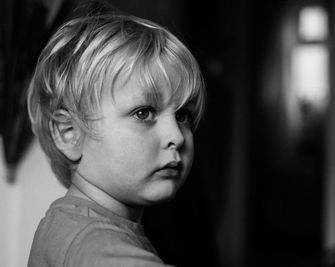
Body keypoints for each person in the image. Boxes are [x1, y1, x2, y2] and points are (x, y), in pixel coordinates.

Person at [27, 12, 205, 267]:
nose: (176, 136)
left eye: (183, 115)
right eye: (143, 113)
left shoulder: (75, 226)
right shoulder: (92, 242)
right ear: (70, 134)